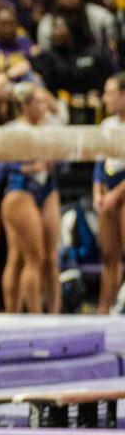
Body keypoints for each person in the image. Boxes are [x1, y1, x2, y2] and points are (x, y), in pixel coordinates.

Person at [0, 83, 63, 314]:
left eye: (45, 102)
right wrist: (36, 165)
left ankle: (55, 314)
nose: (44, 107)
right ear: (25, 106)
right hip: (21, 189)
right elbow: (5, 164)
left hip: (47, 187)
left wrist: (44, 93)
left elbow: (62, 116)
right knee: (27, 258)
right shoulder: (13, 130)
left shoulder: (49, 127)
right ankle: (31, 315)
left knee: (51, 258)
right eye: (38, 103)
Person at [93, 73, 125, 314]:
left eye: (109, 93)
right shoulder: (107, 126)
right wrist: (98, 192)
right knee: (108, 256)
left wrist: (116, 194)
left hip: (122, 191)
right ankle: (105, 309)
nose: (105, 99)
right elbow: (98, 164)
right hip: (108, 191)